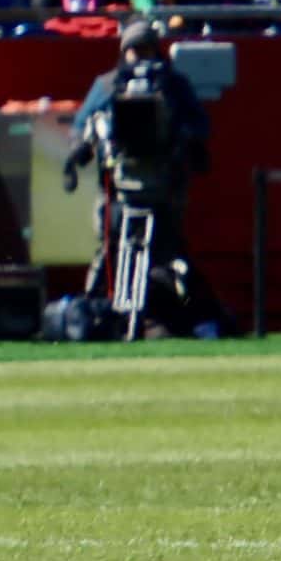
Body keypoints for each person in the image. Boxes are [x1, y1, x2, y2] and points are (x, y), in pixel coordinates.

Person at [63, 20, 216, 331]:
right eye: (134, 50)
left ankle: (172, 315)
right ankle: (98, 313)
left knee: (167, 250)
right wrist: (80, 149)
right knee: (109, 248)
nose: (140, 57)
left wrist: (185, 137)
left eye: (146, 49)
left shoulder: (175, 85)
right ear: (124, 52)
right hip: (120, 187)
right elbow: (82, 126)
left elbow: (200, 125)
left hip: (166, 185)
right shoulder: (108, 85)